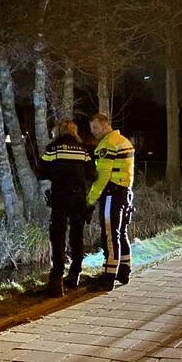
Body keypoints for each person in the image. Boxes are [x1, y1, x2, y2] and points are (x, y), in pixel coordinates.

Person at [39, 120, 95, 297]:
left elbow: (41, 172)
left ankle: (56, 282)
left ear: (59, 131)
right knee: (77, 235)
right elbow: (92, 174)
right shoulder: (83, 150)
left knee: (58, 235)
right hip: (78, 197)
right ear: (74, 132)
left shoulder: (53, 149)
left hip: (60, 196)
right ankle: (74, 274)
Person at [87, 113, 136, 290]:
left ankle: (108, 277)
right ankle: (124, 271)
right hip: (125, 192)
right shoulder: (124, 141)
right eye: (91, 128)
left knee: (109, 235)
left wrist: (90, 199)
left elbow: (103, 175)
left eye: (95, 128)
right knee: (121, 232)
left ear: (105, 126)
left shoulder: (107, 145)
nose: (93, 132)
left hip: (111, 193)